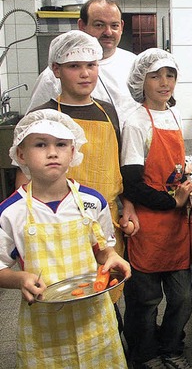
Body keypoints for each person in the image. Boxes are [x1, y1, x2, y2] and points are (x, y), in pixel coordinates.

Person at [0, 109, 131, 367]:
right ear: (21, 154)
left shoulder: (93, 202)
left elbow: (103, 248)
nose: (52, 152)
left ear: (73, 152)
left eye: (61, 144)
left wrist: (113, 258)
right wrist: (20, 279)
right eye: (41, 144)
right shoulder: (10, 212)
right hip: (44, 325)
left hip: (94, 320)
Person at [27, 30, 136, 307]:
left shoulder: (108, 111)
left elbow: (119, 167)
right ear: (56, 70)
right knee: (63, 296)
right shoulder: (43, 115)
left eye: (91, 65)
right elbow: (25, 177)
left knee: (106, 298)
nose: (85, 73)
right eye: (74, 66)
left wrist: (129, 206)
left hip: (104, 222)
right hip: (57, 224)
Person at [120, 49, 192, 369]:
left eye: (170, 75)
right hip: (148, 222)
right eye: (155, 76)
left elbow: (171, 162)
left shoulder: (173, 113)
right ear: (142, 81)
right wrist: (172, 201)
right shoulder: (136, 121)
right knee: (145, 300)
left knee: (183, 297)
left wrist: (185, 174)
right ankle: (145, 354)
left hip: (175, 224)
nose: (164, 82)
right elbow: (132, 184)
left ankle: (170, 345)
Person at [28, 0, 137, 124]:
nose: (108, 32)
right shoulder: (53, 75)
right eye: (99, 25)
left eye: (114, 25)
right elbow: (34, 124)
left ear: (121, 27)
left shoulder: (134, 64)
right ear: (82, 26)